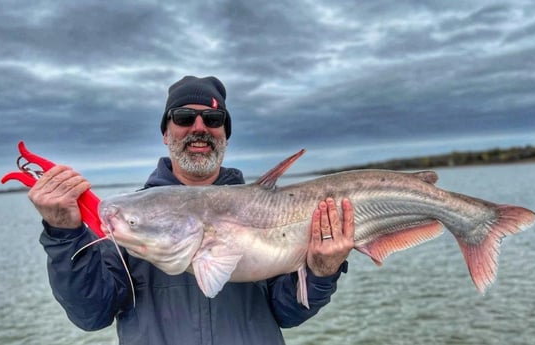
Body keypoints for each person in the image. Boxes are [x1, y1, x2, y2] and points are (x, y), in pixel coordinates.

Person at [28, 76, 355, 344]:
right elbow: (91, 314)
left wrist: (321, 271)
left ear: (225, 134)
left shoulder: (267, 212)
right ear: (165, 133)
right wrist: (63, 233)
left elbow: (289, 313)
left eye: (213, 119)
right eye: (184, 117)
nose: (199, 127)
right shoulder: (130, 223)